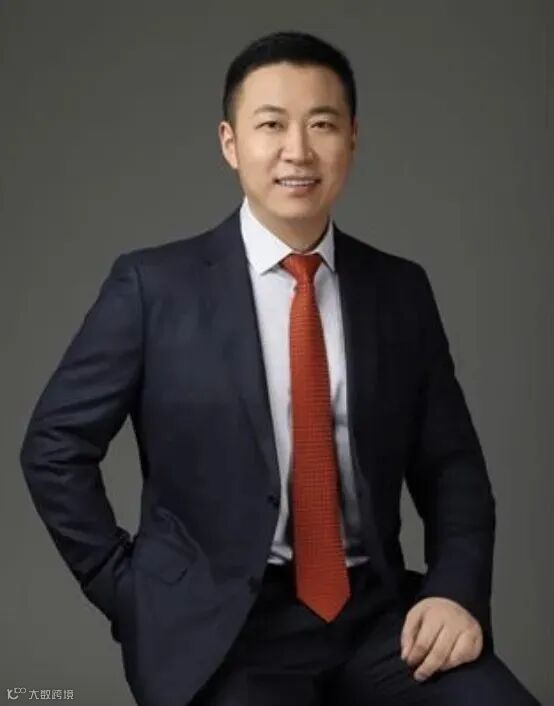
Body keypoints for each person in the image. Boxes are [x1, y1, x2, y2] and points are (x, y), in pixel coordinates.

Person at [20, 30, 540, 706]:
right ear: (230, 143)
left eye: (321, 124)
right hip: (221, 633)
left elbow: (452, 465)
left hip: (377, 617)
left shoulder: (399, 290)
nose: (298, 151)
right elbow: (54, 447)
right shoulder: (153, 287)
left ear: (352, 139)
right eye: (271, 125)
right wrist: (132, 594)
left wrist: (455, 591)